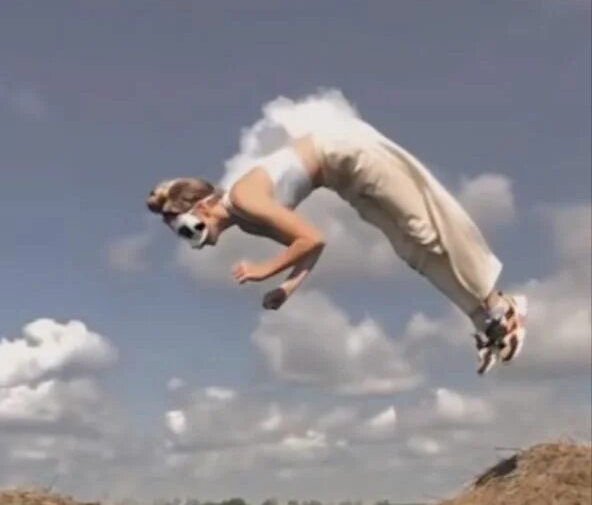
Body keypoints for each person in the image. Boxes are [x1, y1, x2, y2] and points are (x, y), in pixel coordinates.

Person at [146, 118, 527, 374]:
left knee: (424, 229)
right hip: (341, 178)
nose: (190, 240)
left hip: (347, 152)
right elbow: (310, 249)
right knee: (412, 251)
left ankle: (502, 307)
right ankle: (484, 319)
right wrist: (288, 288)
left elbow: (313, 237)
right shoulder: (247, 223)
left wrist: (266, 270)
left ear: (204, 206)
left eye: (184, 229)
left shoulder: (245, 199)